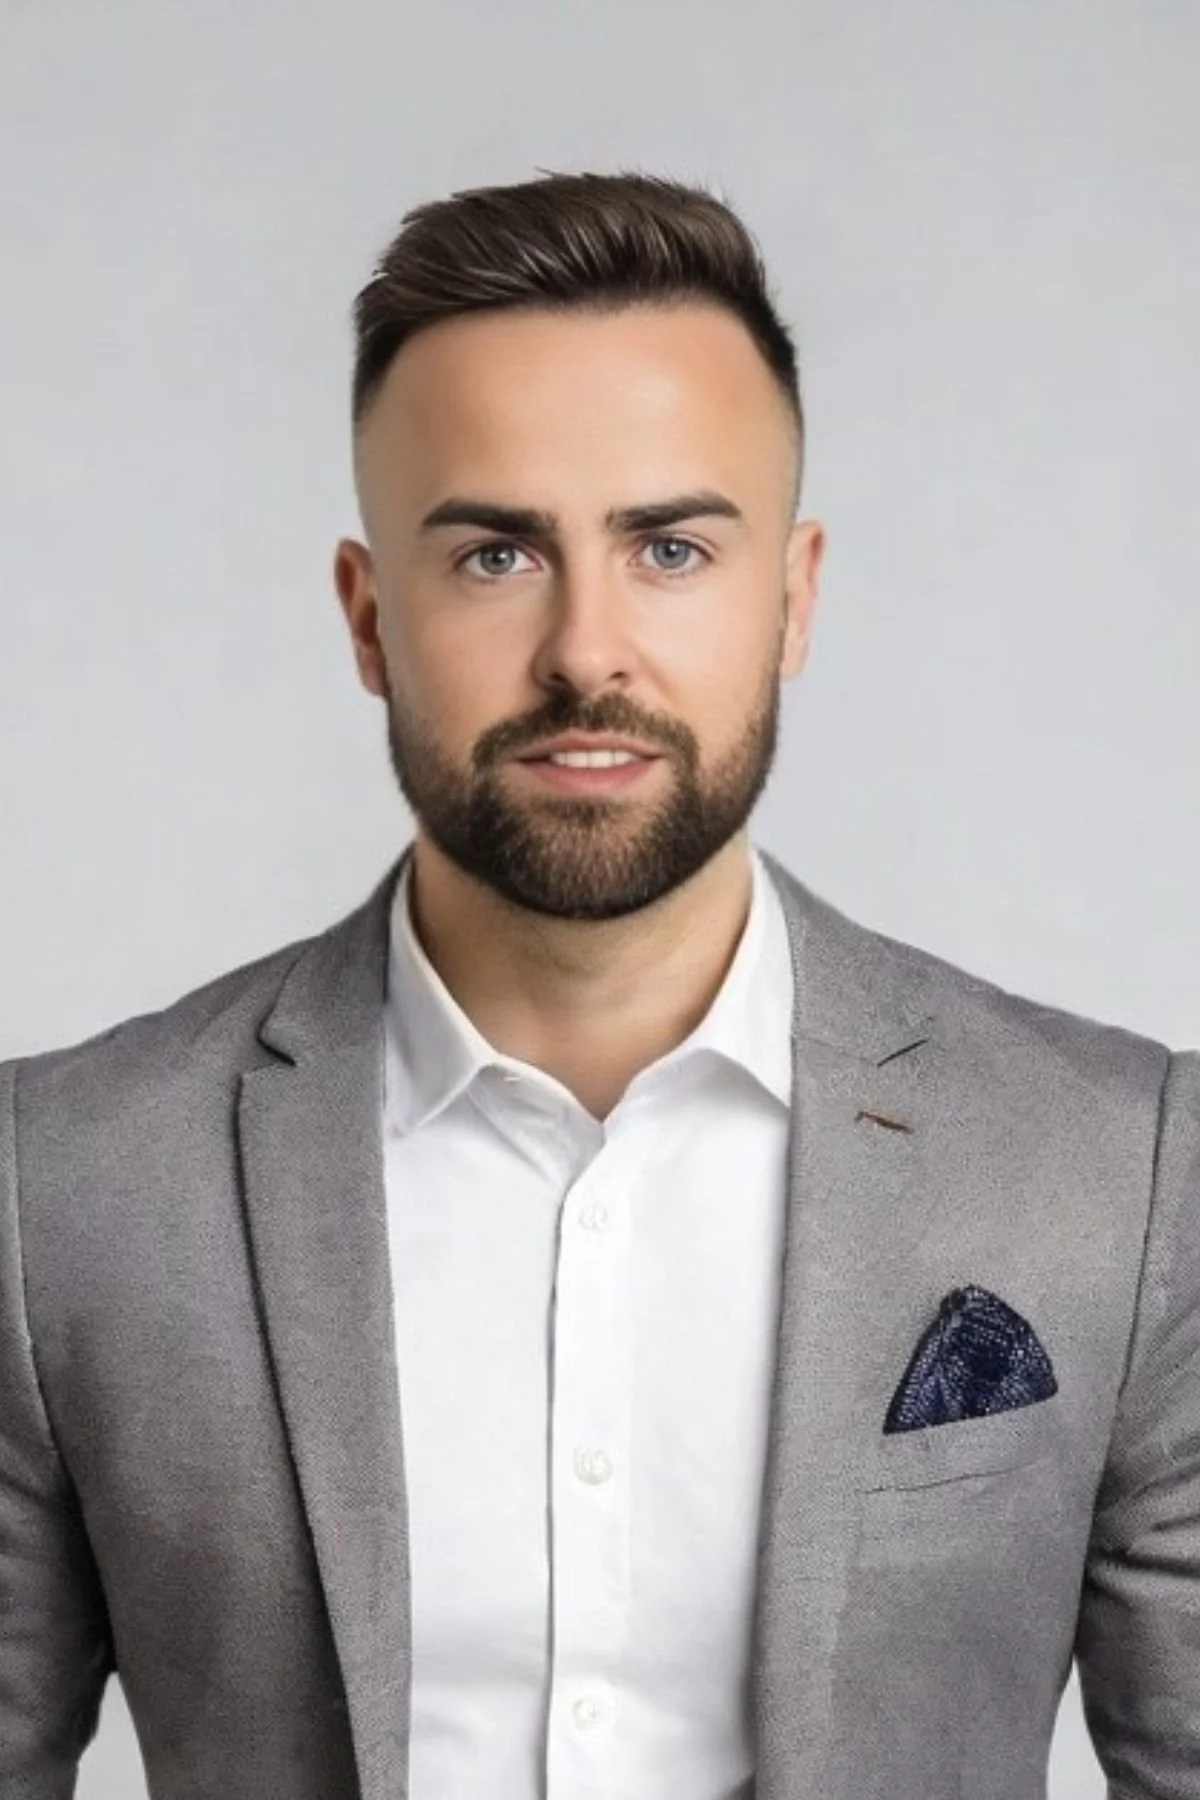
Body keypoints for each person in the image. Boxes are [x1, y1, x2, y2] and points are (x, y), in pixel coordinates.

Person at [1, 168, 1196, 1800]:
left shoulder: (1117, 1173)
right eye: (497, 554)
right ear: (369, 616)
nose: (585, 650)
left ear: (794, 598)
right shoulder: (64, 1190)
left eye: (672, 548)